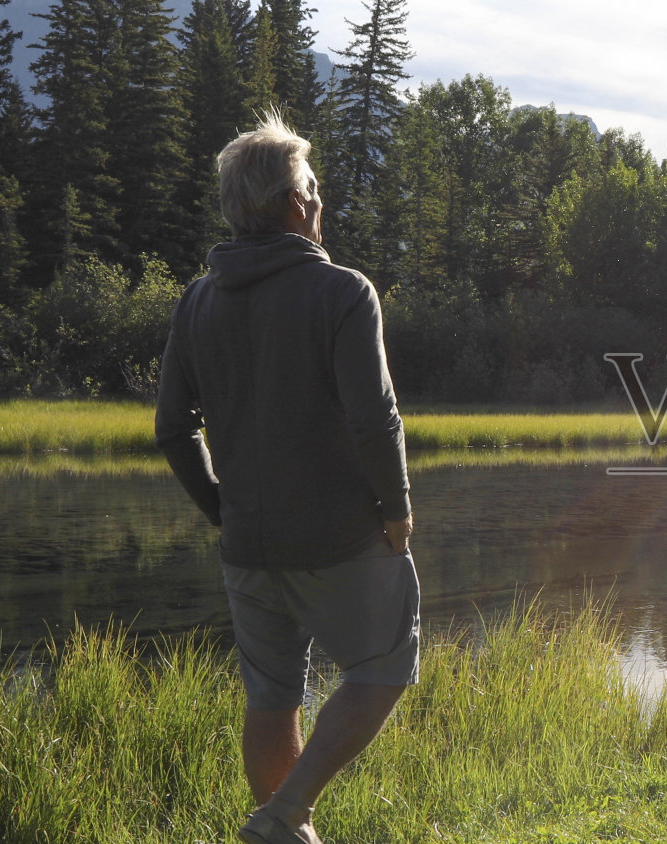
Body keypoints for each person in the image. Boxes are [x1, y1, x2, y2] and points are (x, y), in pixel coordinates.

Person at [155, 110, 419, 844]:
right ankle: (283, 816)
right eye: (315, 190)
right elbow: (376, 419)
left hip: (248, 545)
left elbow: (173, 429)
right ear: (295, 205)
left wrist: (221, 509)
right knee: (386, 667)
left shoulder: (197, 300)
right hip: (341, 537)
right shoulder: (343, 292)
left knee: (272, 695)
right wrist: (396, 510)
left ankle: (282, 831)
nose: (321, 203)